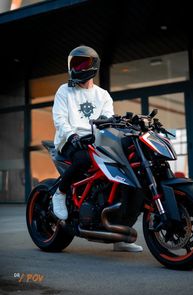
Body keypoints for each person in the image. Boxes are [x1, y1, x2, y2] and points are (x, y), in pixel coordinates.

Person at [52, 45, 143, 252]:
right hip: (70, 141)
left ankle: (119, 236)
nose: (76, 68)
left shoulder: (102, 95)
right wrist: (72, 136)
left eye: (81, 63)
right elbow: (60, 119)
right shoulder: (64, 91)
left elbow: (107, 121)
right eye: (74, 63)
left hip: (96, 141)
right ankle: (60, 192)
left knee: (125, 178)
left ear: (92, 66)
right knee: (83, 159)